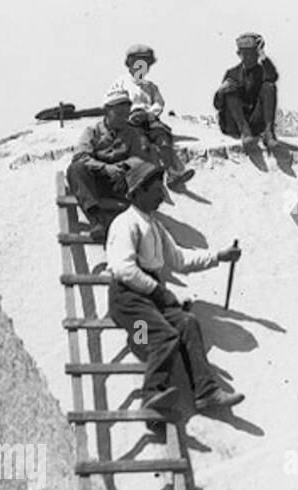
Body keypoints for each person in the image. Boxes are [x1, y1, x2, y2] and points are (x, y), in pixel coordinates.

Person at [105, 160, 244, 430]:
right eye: (156, 191)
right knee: (158, 335)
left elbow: (179, 259)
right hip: (129, 304)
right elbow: (123, 269)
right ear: (139, 191)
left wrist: (219, 256)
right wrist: (159, 291)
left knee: (187, 324)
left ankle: (205, 393)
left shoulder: (154, 227)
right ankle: (151, 397)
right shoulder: (125, 223)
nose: (160, 197)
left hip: (147, 299)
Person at [67, 88, 154, 242]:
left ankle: (132, 220)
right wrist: (105, 168)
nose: (124, 118)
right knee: (75, 169)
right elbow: (81, 156)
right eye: (119, 114)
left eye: (126, 114)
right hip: (96, 181)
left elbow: (139, 158)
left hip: (120, 182)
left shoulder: (132, 133)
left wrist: (123, 166)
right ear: (107, 112)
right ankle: (97, 220)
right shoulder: (92, 131)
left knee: (145, 172)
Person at [110, 44, 194, 189]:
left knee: (164, 142)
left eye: (145, 64)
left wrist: (149, 114)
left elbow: (159, 103)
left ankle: (173, 175)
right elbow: (113, 100)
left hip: (149, 119)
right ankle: (142, 179)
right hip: (131, 121)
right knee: (142, 145)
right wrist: (128, 114)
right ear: (130, 64)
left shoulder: (151, 86)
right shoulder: (121, 83)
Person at [213, 33, 279, 149]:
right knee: (229, 88)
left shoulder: (262, 71)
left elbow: (273, 77)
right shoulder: (232, 73)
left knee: (269, 86)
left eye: (252, 54)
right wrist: (221, 92)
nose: (249, 58)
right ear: (239, 55)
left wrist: (263, 55)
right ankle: (245, 132)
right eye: (245, 54)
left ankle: (269, 133)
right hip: (235, 125)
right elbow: (218, 105)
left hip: (255, 123)